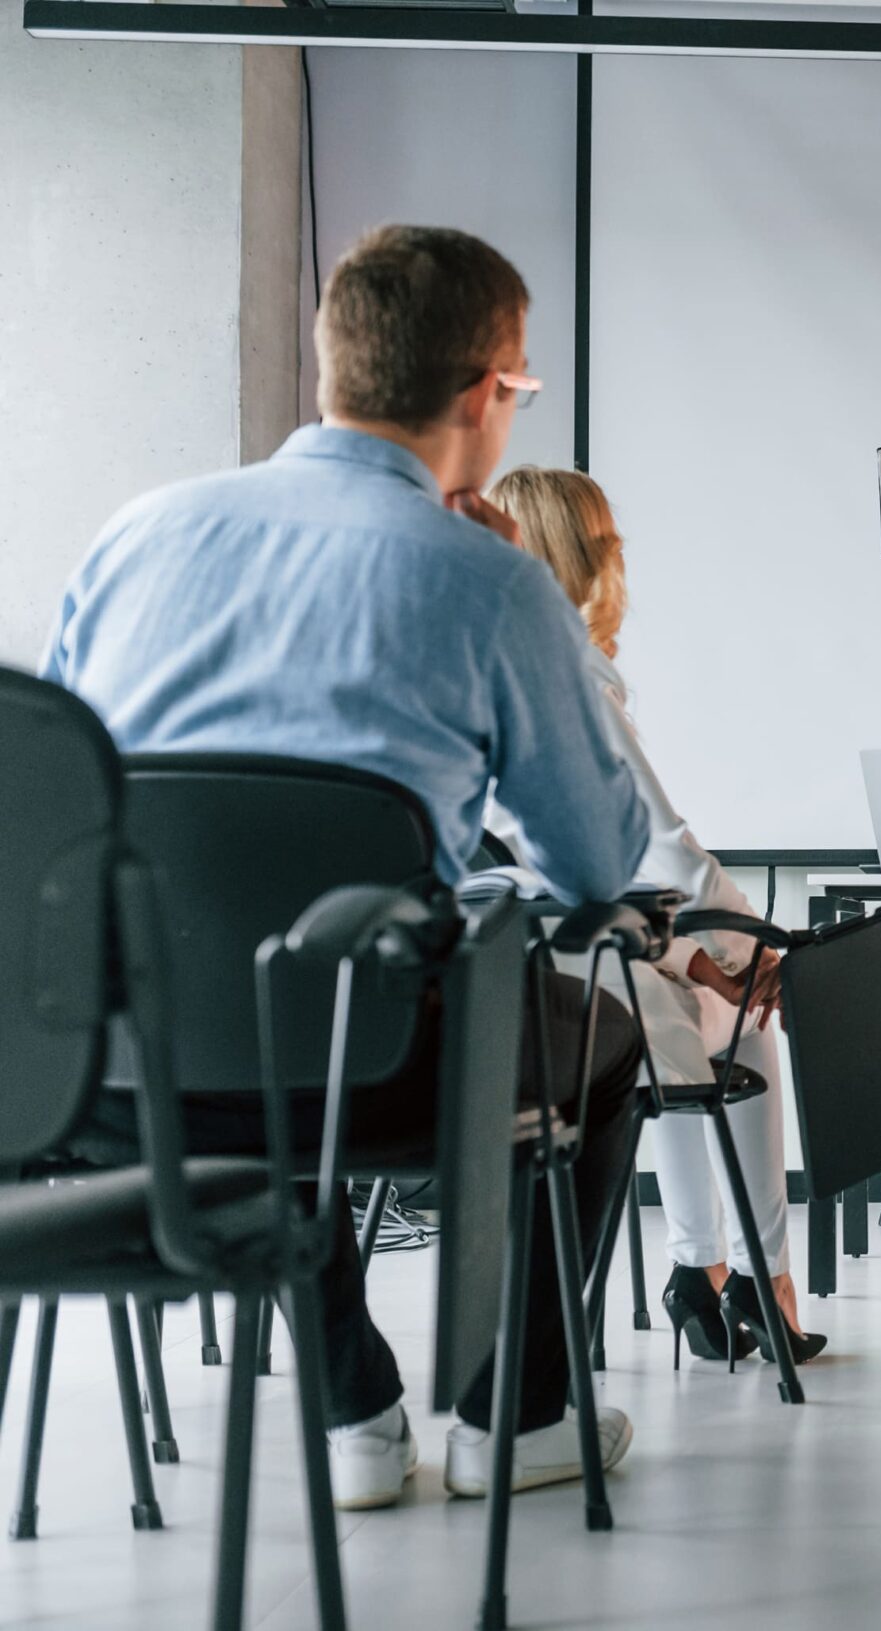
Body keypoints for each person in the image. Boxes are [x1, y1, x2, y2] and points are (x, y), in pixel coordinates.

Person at [44, 225, 651, 1509]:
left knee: (264, 1003)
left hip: (117, 1070)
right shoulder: (489, 583)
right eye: (520, 387)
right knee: (597, 1036)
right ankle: (515, 1413)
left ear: (336, 368)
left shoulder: (134, 535)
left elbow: (52, 807)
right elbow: (597, 860)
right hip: (380, 1071)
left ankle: (347, 1412)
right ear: (486, 393)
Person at [484, 466, 821, 1367]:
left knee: (691, 1007)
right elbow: (662, 848)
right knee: (744, 1024)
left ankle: (697, 1268)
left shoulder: (492, 676)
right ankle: (762, 1277)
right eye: (606, 541)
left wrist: (695, 950)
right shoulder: (570, 685)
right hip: (589, 997)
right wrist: (747, 944)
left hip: (529, 973)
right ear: (583, 558)